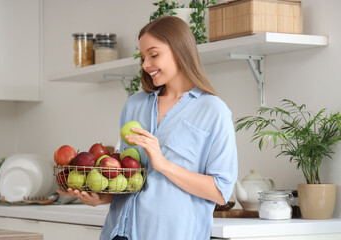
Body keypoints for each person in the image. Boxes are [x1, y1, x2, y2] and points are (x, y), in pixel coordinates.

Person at [57, 16, 238, 240]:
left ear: (180, 50)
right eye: (143, 57)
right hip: (118, 233)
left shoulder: (213, 111)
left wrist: (162, 164)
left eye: (154, 55)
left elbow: (220, 191)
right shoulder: (134, 105)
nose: (145, 65)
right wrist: (104, 197)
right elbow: (129, 177)